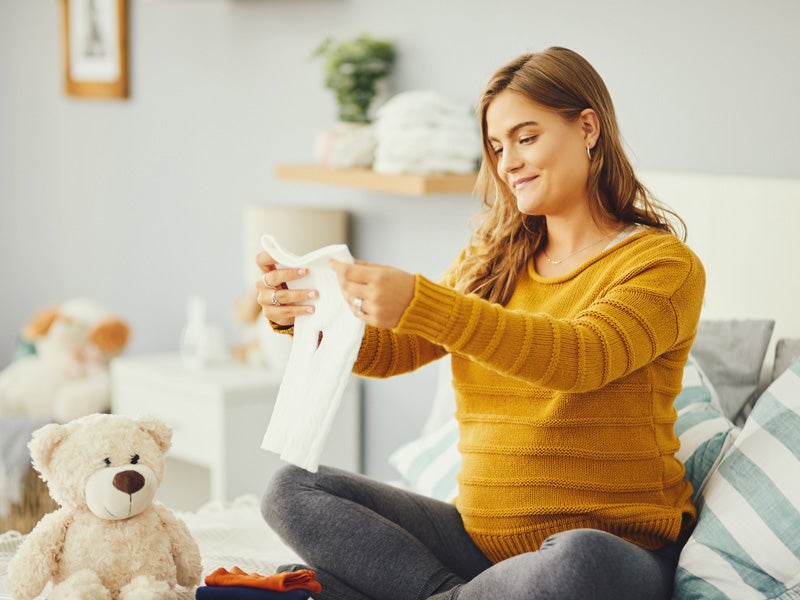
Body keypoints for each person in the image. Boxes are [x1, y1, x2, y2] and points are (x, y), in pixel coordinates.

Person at [255, 46, 705, 600]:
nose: (507, 162)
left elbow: (579, 357)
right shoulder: (494, 257)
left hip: (609, 550)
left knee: (577, 560)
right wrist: (303, 314)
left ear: (587, 127)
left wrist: (423, 301)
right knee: (292, 488)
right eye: (496, 146)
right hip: (474, 544)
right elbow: (394, 352)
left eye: (526, 136)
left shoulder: (660, 265)